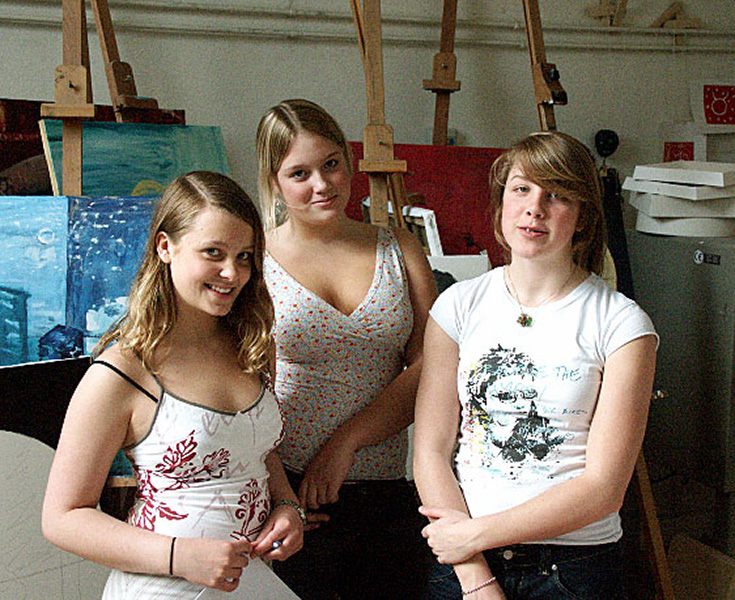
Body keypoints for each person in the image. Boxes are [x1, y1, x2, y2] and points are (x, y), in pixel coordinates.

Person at [413, 131, 658, 600]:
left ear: (583, 216)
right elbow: (430, 451)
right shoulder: (457, 306)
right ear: (501, 202)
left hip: (573, 570)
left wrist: (475, 535)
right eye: (522, 189)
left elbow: (604, 488)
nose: (535, 208)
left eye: (557, 195)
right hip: (464, 566)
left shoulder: (623, 323)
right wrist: (475, 576)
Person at [42, 171, 304, 599]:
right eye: (213, 252)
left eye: (244, 256)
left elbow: (251, 448)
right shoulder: (122, 372)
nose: (232, 272)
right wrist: (178, 556)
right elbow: (62, 517)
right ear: (165, 246)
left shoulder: (254, 346)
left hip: (250, 580)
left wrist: (287, 505)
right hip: (164, 589)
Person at [255, 98, 438, 599]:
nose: (322, 184)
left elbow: (432, 363)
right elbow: (240, 389)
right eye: (300, 173)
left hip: (385, 489)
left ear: (349, 162)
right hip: (289, 494)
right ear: (274, 181)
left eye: (331, 164)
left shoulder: (398, 247)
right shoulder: (254, 259)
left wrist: (346, 442)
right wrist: (281, 495)